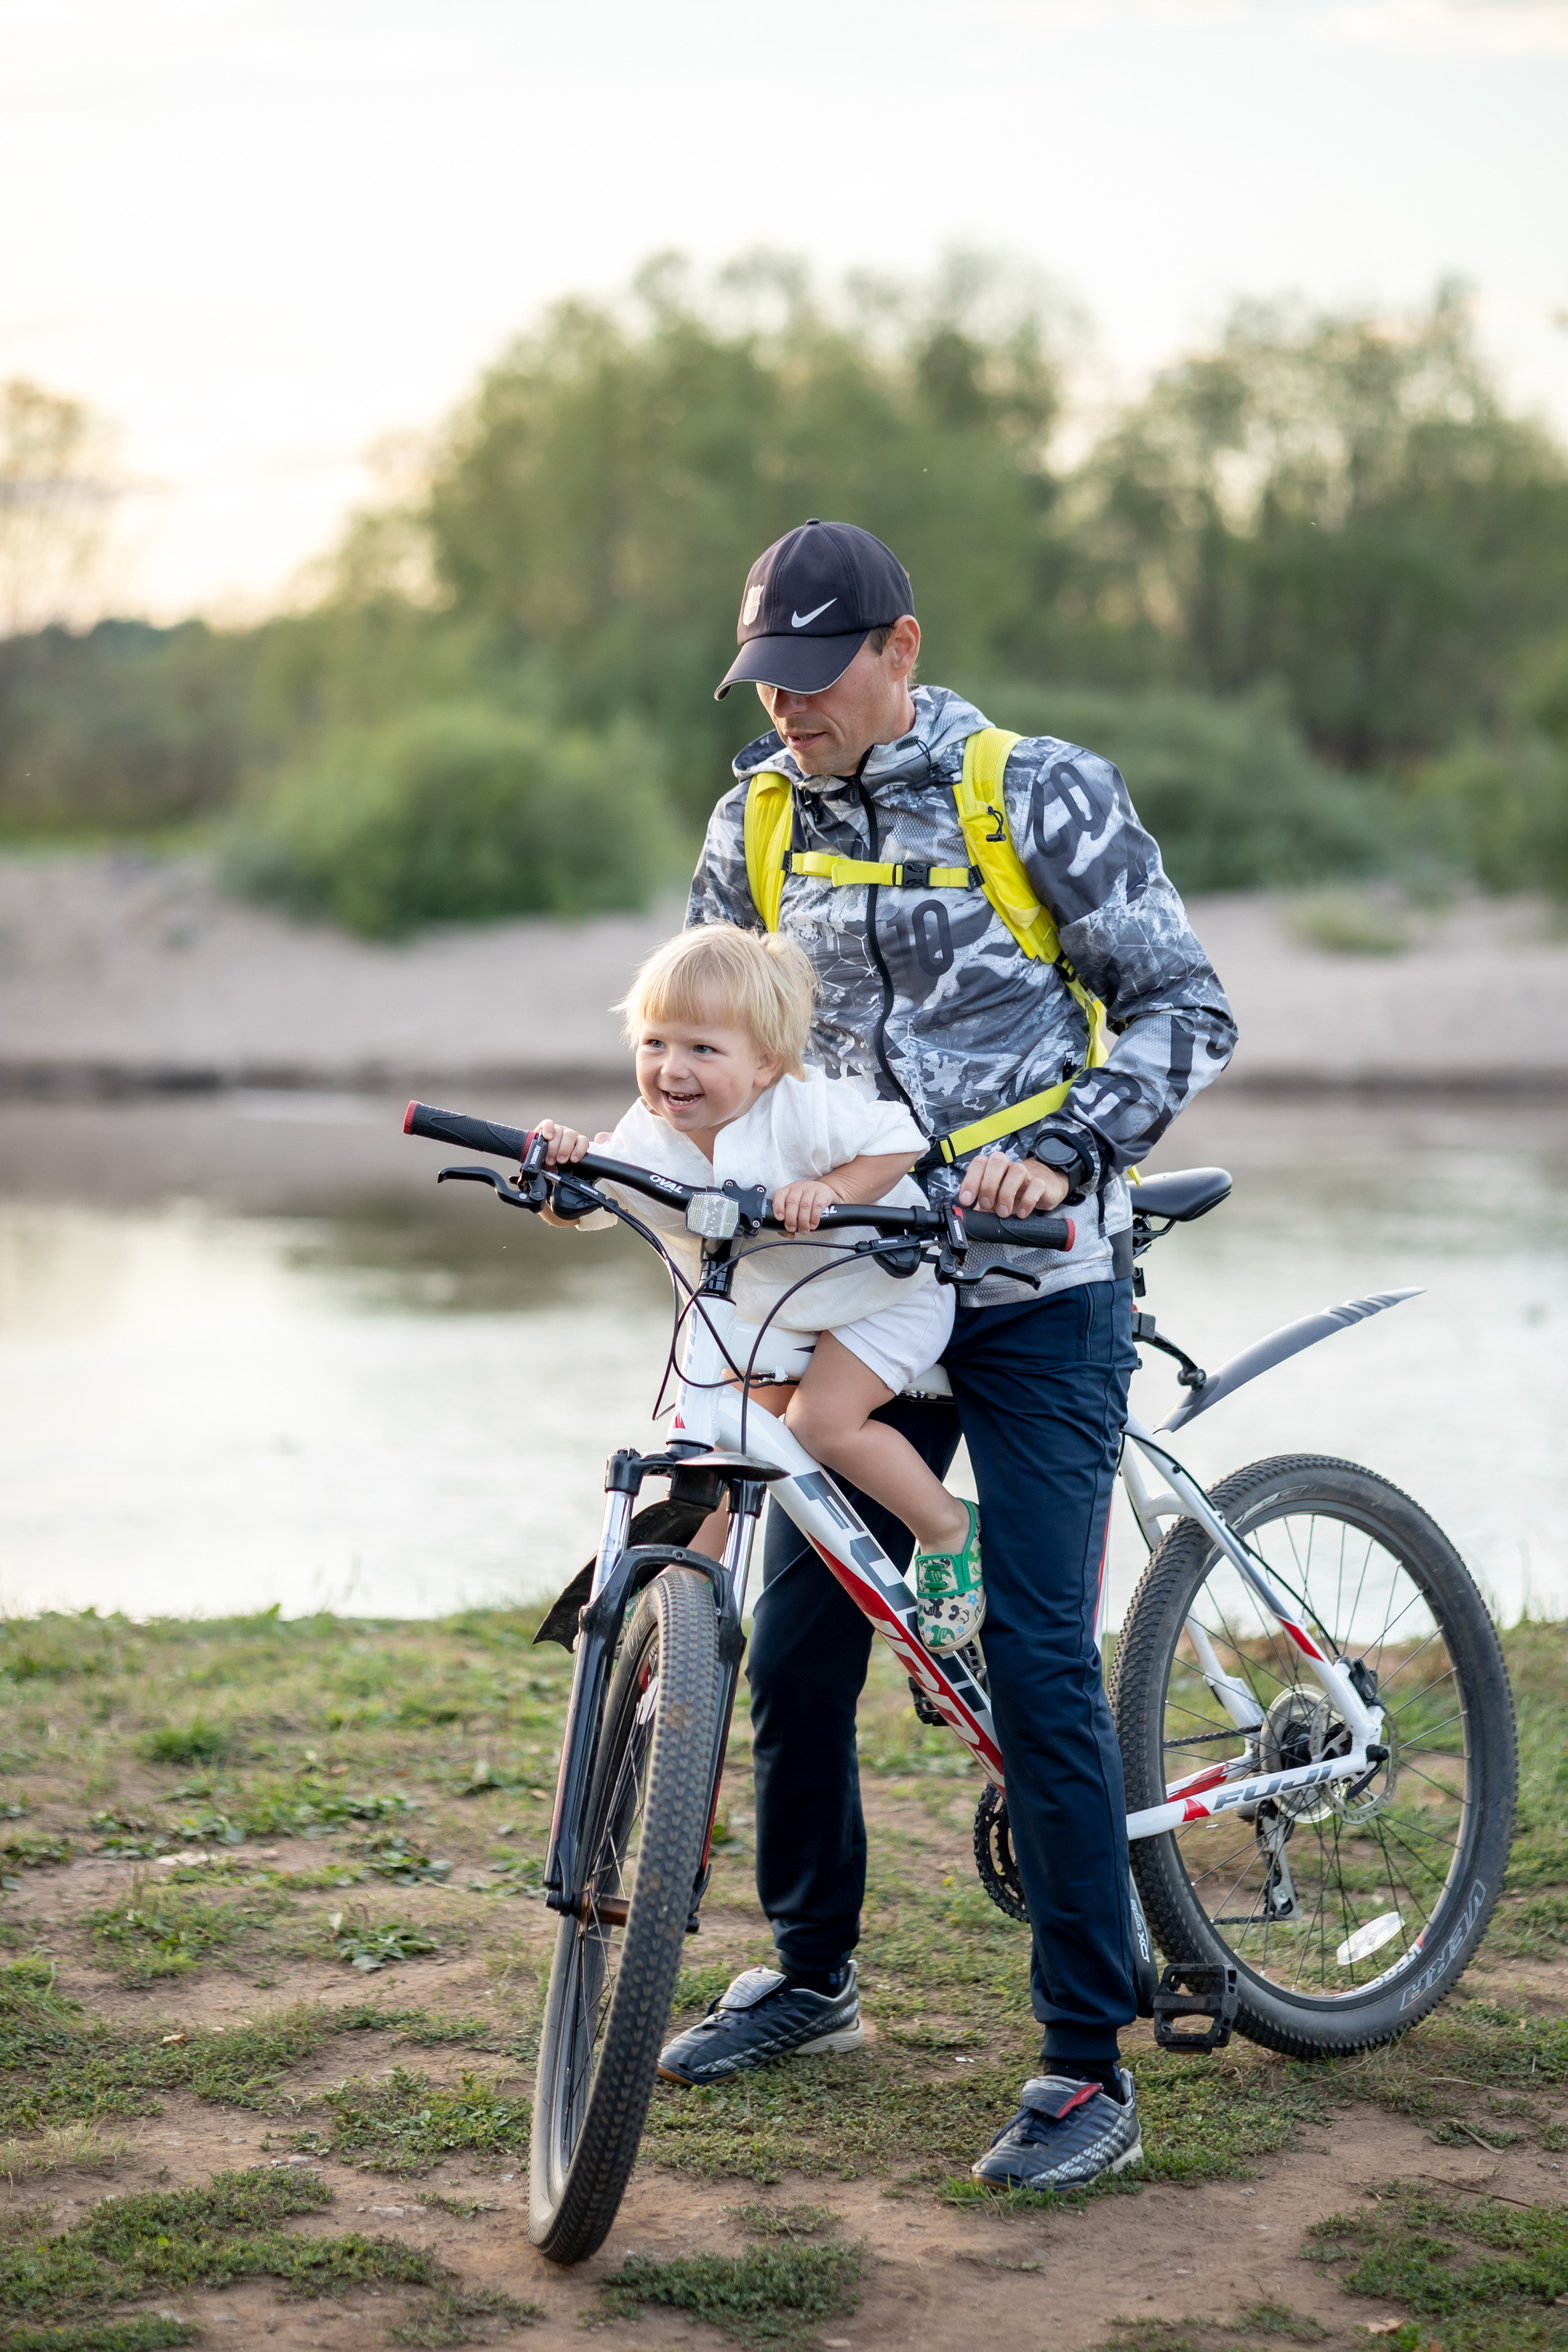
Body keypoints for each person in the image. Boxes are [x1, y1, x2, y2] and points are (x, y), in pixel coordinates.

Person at [647, 518, 1237, 2192]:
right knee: (801, 1650)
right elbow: (715, 1048)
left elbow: (1186, 1007)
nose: (791, 712)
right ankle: (812, 1974)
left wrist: (1073, 1149)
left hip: (1038, 1287)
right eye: (768, 680)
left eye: (819, 680)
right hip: (854, 1290)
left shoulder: (1036, 791)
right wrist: (655, 1141)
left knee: (1041, 1657)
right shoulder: (751, 821)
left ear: (903, 651)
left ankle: (1082, 2067)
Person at [533, 922, 986, 1651]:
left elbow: (901, 1137)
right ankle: (675, 1613)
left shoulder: (804, 1106)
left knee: (819, 1425)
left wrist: (828, 1189)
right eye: (655, 1043)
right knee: (725, 1432)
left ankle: (947, 1527)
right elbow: (600, 1197)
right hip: (772, 1307)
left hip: (878, 1289)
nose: (672, 1069)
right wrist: (565, 1175)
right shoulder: (650, 1131)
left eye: (702, 1049)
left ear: (767, 1063)